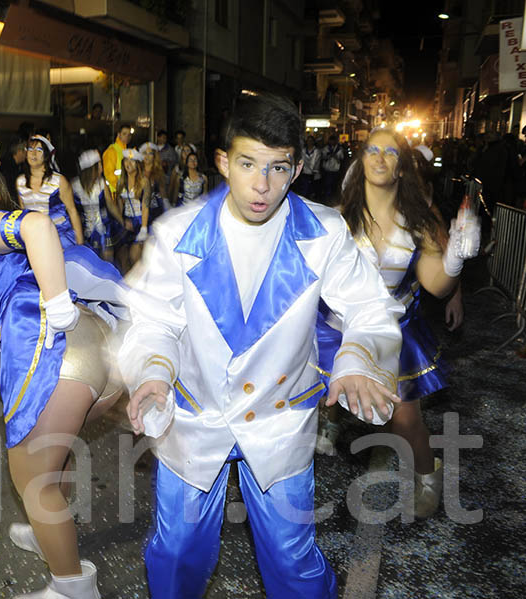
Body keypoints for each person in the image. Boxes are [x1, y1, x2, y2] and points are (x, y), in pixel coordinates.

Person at [119, 93, 405, 598]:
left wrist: (359, 359)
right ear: (224, 161)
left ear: (296, 169)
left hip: (279, 419)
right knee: (176, 552)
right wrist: (152, 373)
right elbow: (151, 319)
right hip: (194, 414)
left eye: (277, 168)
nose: (261, 184)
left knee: (292, 560)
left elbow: (370, 309)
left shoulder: (326, 232)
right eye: (248, 163)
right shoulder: (175, 232)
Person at [0, 136, 128, 598]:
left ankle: (71, 587)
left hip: (60, 353)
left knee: (31, 477)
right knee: (45, 461)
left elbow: (38, 226)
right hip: (92, 353)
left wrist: (57, 305)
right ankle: (47, 535)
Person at [314, 129, 479, 519]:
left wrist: (454, 258)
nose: (380, 157)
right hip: (340, 327)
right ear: (361, 160)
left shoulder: (417, 223)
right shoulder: (337, 219)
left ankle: (427, 476)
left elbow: (437, 286)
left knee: (406, 417)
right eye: (372, 149)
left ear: (401, 167)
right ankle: (330, 424)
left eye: (390, 151)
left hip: (395, 329)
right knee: (322, 392)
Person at [17, 135, 84, 248]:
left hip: (61, 238)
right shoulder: (20, 182)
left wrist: (80, 243)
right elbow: (23, 213)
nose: (33, 154)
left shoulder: (59, 180)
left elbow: (72, 211)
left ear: (46, 155)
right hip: (34, 239)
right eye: (30, 149)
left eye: (39, 150)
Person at [71, 149, 118, 262]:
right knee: (90, 263)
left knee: (107, 261)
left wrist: (121, 221)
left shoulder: (102, 183)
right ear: (93, 168)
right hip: (85, 231)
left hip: (104, 228)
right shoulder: (74, 186)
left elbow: (111, 205)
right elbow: (72, 211)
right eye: (100, 164)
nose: (102, 167)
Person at [116, 148, 150, 270]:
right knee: (122, 257)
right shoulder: (121, 181)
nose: (128, 164)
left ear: (138, 164)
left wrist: (144, 228)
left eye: (132, 161)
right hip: (126, 223)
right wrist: (121, 221)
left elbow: (146, 206)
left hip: (140, 222)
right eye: (126, 160)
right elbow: (119, 205)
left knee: (134, 257)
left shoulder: (144, 182)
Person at [141, 142, 169, 223]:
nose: (147, 156)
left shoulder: (159, 172)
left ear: (154, 156)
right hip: (139, 210)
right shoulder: (138, 170)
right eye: (145, 153)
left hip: (155, 210)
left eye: (150, 153)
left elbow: (163, 191)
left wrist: (167, 206)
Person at [102, 123, 132, 194]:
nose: (127, 137)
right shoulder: (112, 151)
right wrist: (121, 189)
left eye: (129, 134)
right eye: (124, 134)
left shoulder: (128, 151)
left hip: (123, 191)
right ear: (119, 135)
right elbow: (109, 174)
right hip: (114, 193)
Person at [297, 135, 322, 200]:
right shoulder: (303, 150)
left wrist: (314, 170)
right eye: (308, 141)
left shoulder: (317, 151)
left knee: (311, 190)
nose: (309, 142)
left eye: (311, 141)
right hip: (304, 172)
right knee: (304, 189)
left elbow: (317, 162)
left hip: (313, 174)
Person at [321, 134, 344, 204]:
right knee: (327, 185)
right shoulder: (326, 148)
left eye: (333, 141)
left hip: (336, 170)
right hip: (328, 170)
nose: (332, 142)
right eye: (331, 141)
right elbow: (323, 157)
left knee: (334, 185)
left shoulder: (339, 149)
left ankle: (333, 198)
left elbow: (342, 158)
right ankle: (327, 198)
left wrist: (335, 156)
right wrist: (329, 155)